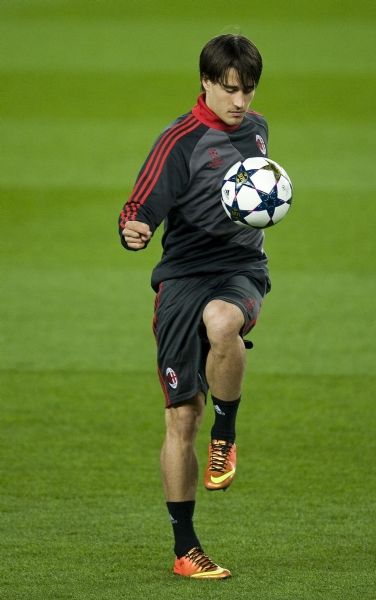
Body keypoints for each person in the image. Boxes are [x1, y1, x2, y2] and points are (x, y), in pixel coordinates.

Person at [119, 33, 272, 579]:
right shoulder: (178, 141)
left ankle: (225, 435)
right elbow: (139, 206)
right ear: (205, 82)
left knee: (223, 320)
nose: (240, 102)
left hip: (240, 268)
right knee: (181, 417)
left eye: (248, 90)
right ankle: (185, 549)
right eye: (229, 89)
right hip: (182, 278)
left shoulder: (258, 129)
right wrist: (133, 229)